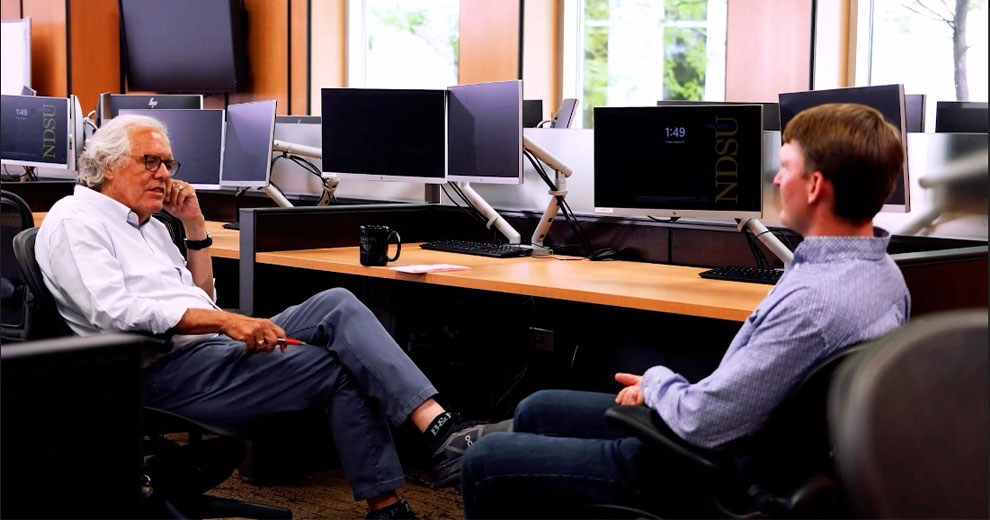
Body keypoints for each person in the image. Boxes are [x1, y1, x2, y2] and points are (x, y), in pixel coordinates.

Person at [35, 114, 509, 519]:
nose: (164, 174)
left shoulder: (149, 225)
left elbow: (199, 297)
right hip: (154, 370)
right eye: (150, 161)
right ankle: (389, 506)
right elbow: (113, 314)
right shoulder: (76, 220)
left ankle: (441, 430)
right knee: (339, 366)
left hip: (203, 348)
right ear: (108, 165)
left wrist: (194, 228)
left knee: (337, 302)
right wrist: (227, 323)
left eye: (168, 164)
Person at [459, 102, 912, 518]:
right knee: (537, 408)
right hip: (745, 438)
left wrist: (658, 383)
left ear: (814, 186)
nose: (776, 180)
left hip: (706, 467)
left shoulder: (812, 302)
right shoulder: (883, 276)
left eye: (786, 167)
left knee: (483, 460)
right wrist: (675, 390)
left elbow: (703, 422)